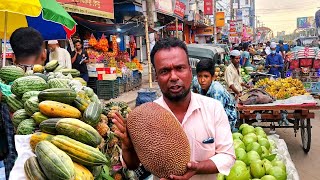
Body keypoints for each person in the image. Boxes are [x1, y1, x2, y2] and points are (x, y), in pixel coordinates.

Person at [112, 38, 235, 179]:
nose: (174, 77)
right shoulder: (144, 117)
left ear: (190, 70)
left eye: (179, 68)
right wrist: (128, 147)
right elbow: (133, 165)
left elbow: (228, 156)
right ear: (156, 77)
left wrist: (197, 168)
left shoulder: (213, 108)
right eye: (164, 71)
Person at [2, 27, 47, 179]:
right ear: (44, 54)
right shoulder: (52, 85)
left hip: (12, 168)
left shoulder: (3, 89)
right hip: (45, 167)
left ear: (13, 58)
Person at [192, 59, 238, 132]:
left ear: (213, 77)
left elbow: (218, 116)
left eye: (206, 76)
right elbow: (193, 89)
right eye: (199, 76)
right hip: (209, 113)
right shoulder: (196, 81)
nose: (202, 80)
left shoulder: (216, 91)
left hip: (227, 119)